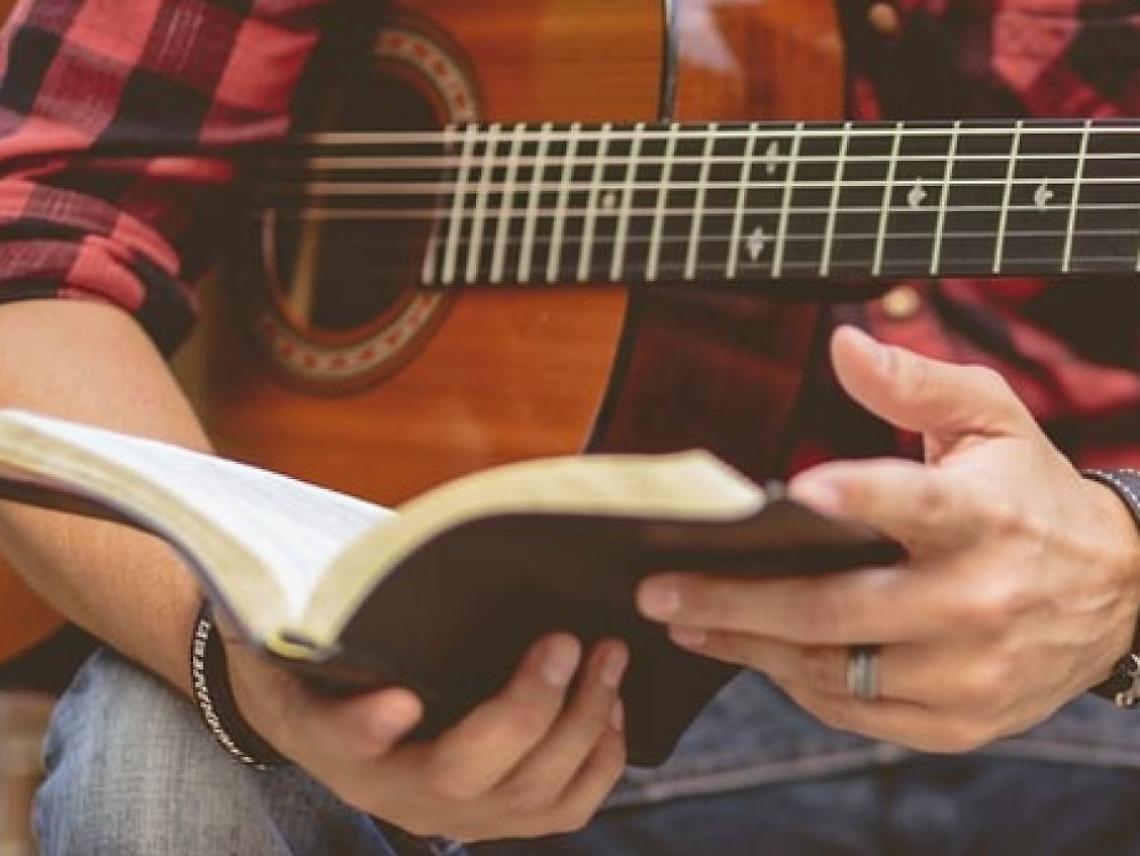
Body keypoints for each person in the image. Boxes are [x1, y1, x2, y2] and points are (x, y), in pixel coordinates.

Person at [0, 0, 1138, 853]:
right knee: (162, 742)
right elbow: (36, 246)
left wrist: (1122, 571)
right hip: (516, 691)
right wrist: (244, 667)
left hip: (1108, 702)